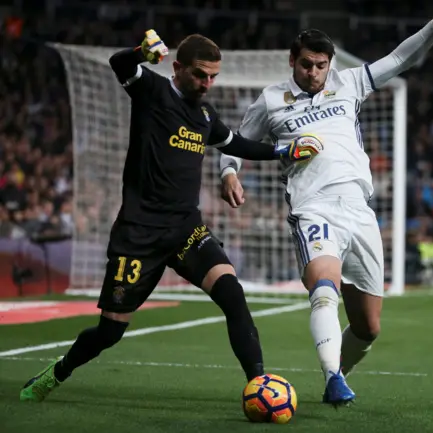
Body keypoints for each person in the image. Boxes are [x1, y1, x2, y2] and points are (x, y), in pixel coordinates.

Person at [20, 30, 319, 402]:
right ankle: (58, 372)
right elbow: (120, 64)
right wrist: (140, 52)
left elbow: (237, 144)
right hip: (139, 235)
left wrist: (283, 151)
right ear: (177, 68)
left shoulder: (205, 115)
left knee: (232, 294)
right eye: (199, 74)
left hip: (186, 231)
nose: (207, 83)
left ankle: (258, 385)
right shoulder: (153, 91)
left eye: (213, 76)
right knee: (109, 332)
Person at [218, 0, 433, 406]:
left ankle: (338, 373)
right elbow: (236, 142)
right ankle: (332, 377)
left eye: (321, 65)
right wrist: (228, 172)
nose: (314, 73)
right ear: (293, 60)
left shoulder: (350, 83)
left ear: (331, 64)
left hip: (360, 210)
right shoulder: (272, 100)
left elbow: (400, 57)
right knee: (324, 289)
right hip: (313, 206)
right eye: (306, 64)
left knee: (368, 326)